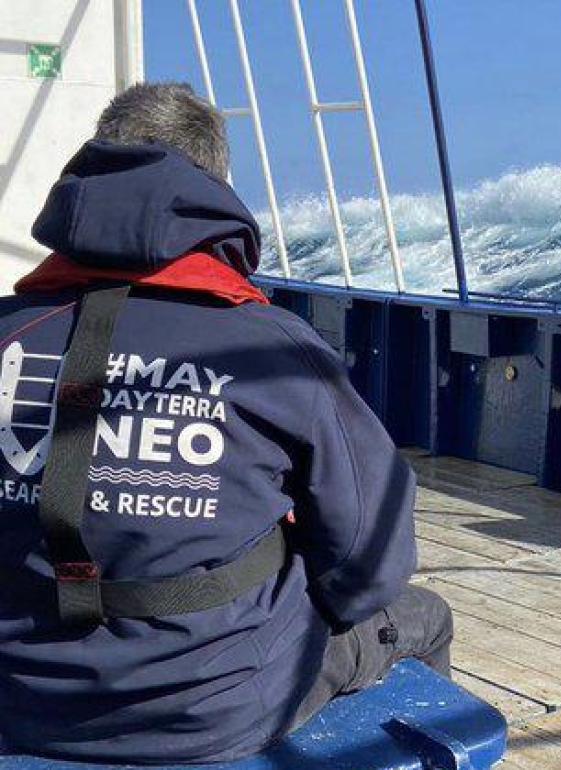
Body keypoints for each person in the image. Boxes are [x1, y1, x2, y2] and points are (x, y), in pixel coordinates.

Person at [0, 82, 452, 764]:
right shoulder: (274, 348)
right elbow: (371, 561)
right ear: (212, 188)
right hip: (214, 706)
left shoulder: (8, 331)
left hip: (15, 697)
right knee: (425, 617)